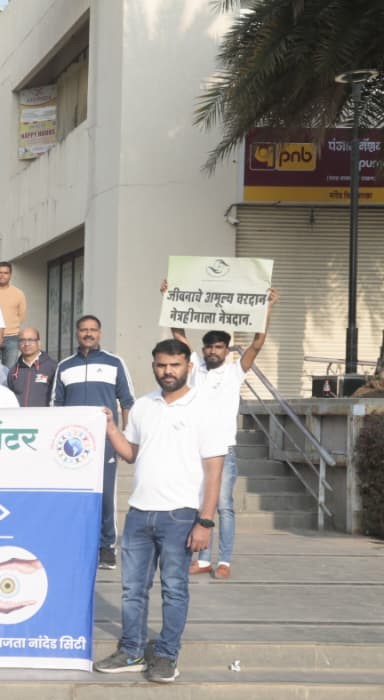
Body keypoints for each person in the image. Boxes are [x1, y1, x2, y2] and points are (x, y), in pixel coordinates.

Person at [92, 339, 227, 684]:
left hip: (180, 515)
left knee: (174, 588)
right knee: (132, 590)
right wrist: (110, 428)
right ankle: (131, 651)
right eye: (161, 365)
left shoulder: (206, 407)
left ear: (188, 367)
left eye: (174, 365)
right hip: (139, 512)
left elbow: (214, 471)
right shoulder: (143, 406)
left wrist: (205, 522)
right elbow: (131, 453)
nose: (168, 371)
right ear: (153, 366)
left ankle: (166, 656)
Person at [169, 286, 278, 579]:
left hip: (223, 449)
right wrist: (169, 297)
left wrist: (267, 306)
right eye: (209, 347)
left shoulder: (234, 371)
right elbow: (178, 334)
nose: (212, 351)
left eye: (218, 347)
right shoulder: (195, 368)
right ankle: (203, 559)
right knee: (200, 504)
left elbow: (258, 342)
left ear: (226, 350)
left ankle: (224, 561)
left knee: (224, 506)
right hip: (195, 448)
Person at [52, 315, 136, 571]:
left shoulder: (114, 363)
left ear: (100, 333)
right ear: (77, 333)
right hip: (71, 445)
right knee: (74, 494)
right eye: (83, 330)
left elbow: (128, 402)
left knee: (106, 495)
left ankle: (106, 547)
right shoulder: (65, 366)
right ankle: (76, 543)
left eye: (93, 330)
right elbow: (56, 406)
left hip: (106, 442)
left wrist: (125, 437)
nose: (88, 334)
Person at [0, 261, 27, 366]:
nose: (2, 275)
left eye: (5, 273)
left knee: (10, 369)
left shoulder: (18, 293)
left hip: (12, 337)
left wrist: (12, 328)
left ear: (10, 275)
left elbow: (21, 315)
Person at [7, 327, 57, 407]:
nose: (26, 344)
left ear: (39, 343)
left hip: (43, 414)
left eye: (31, 340)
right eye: (22, 340)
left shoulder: (53, 368)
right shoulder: (13, 371)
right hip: (19, 414)